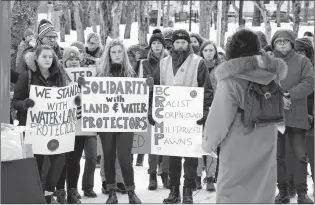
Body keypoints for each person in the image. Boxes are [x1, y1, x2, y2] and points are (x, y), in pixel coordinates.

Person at [202, 29, 288, 203]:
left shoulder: (230, 79)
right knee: (262, 191)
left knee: (232, 193)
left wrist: (208, 143)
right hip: (267, 142)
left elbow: (220, 117)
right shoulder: (272, 76)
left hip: (237, 145)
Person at [149, 29, 213, 204]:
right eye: (177, 42)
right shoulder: (163, 63)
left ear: (189, 44)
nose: (180, 45)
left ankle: (187, 191)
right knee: (173, 156)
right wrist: (151, 109)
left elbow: (207, 90)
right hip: (170, 118)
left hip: (192, 118)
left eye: (184, 42)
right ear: (172, 44)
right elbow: (154, 89)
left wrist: (205, 111)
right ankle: (174, 191)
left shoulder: (198, 63)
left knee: (191, 157)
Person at [12, 45, 71, 204]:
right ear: (36, 58)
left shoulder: (58, 76)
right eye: (44, 56)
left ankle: (48, 191)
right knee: (36, 164)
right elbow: (15, 102)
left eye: (50, 57)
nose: (47, 59)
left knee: (60, 158)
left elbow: (66, 98)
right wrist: (24, 103)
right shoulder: (27, 76)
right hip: (33, 128)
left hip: (55, 127)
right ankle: (37, 195)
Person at [94, 39, 141, 204]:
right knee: (108, 156)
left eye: (119, 52)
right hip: (106, 122)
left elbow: (137, 96)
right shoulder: (100, 74)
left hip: (125, 122)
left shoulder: (131, 73)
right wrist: (84, 87)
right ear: (108, 55)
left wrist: (146, 87)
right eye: (113, 52)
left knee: (124, 157)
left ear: (124, 54)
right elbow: (93, 97)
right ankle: (111, 191)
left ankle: (131, 192)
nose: (116, 55)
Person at [271, 29, 314, 204]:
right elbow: (262, 84)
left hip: (296, 115)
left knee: (299, 156)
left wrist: (289, 95)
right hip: (275, 116)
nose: (282, 44)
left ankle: (302, 193)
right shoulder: (269, 62)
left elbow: (310, 82)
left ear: (291, 43)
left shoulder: (302, 61)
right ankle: (283, 192)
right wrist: (279, 98)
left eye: (285, 41)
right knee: (279, 156)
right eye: (278, 41)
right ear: (274, 44)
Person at [55, 46, 96, 204]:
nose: (73, 62)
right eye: (70, 59)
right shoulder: (57, 75)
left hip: (80, 124)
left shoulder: (87, 75)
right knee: (61, 160)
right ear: (64, 61)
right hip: (62, 124)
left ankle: (72, 190)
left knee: (75, 159)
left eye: (75, 59)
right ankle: (60, 190)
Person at [137, 29, 170, 190]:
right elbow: (140, 86)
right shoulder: (144, 63)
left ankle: (164, 173)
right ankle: (152, 174)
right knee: (153, 142)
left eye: (159, 43)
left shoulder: (170, 61)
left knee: (165, 141)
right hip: (150, 103)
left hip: (167, 103)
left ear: (163, 45)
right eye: (154, 43)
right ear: (150, 46)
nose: (156, 46)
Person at [195, 40, 222, 192]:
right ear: (201, 52)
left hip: (216, 109)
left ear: (215, 52)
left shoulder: (221, 69)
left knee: (212, 144)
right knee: (198, 143)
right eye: (206, 50)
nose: (209, 53)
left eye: (211, 50)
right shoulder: (197, 66)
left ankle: (210, 176)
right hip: (199, 108)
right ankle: (197, 175)